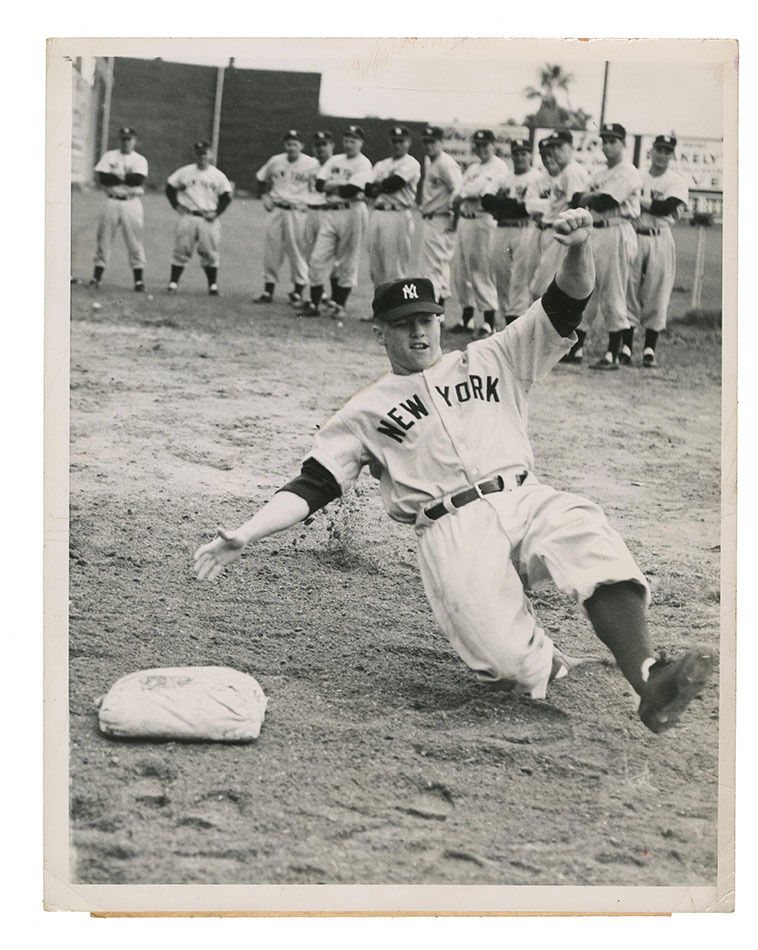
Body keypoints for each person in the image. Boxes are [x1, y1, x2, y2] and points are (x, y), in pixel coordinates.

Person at [193, 207, 714, 735]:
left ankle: (649, 678)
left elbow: (566, 301)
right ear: (380, 333)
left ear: (440, 319)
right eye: (403, 324)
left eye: (426, 319)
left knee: (585, 530)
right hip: (450, 530)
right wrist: (247, 532)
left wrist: (578, 248)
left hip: (521, 498)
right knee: (512, 666)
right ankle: (544, 660)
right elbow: (314, 484)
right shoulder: (365, 410)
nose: (418, 332)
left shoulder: (495, 356)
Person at [573, 122, 642, 371]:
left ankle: (613, 352)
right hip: (596, 232)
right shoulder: (599, 174)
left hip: (617, 230)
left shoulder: (628, 172)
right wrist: (590, 197)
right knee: (586, 288)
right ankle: (577, 348)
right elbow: (577, 198)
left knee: (614, 292)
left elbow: (605, 202)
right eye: (605, 141)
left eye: (613, 141)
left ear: (624, 144)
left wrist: (590, 197)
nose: (608, 146)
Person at [624, 134, 689, 367]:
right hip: (635, 235)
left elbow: (666, 208)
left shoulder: (676, 181)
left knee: (657, 289)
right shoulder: (637, 176)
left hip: (660, 238)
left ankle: (650, 348)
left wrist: (639, 201)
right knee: (628, 288)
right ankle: (626, 346)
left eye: (667, 151)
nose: (662, 155)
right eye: (658, 150)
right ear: (650, 152)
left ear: (672, 155)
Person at [299, 125, 374, 320]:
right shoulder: (335, 160)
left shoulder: (363, 163)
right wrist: (339, 186)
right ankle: (314, 304)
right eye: (347, 140)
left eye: (353, 141)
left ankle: (340, 305)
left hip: (353, 212)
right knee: (317, 257)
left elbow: (353, 189)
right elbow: (319, 184)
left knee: (347, 260)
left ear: (361, 143)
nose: (349, 144)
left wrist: (333, 186)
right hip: (332, 212)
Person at [529, 129, 589, 363]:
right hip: (553, 232)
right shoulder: (564, 172)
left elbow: (576, 204)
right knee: (546, 288)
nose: (556, 151)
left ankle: (567, 345)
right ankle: (561, 344)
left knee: (547, 288)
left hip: (564, 235)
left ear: (570, 147)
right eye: (552, 147)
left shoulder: (573, 171)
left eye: (560, 147)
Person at [449, 129, 508, 337]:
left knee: (481, 269)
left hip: (483, 220)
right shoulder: (474, 167)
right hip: (465, 220)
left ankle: (489, 322)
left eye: (486, 145)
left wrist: (463, 193)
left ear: (494, 145)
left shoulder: (499, 166)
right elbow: (458, 188)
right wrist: (462, 193)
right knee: (460, 270)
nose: (482, 149)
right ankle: (466, 318)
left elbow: (480, 190)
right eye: (478, 145)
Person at [253, 130, 320, 307]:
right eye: (289, 143)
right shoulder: (276, 161)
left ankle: (298, 291)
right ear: (285, 145)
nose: (291, 147)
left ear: (302, 146)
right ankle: (268, 289)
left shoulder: (311, 163)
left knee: (297, 249)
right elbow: (261, 178)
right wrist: (264, 196)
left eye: (295, 144)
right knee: (272, 249)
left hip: (298, 210)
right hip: (277, 208)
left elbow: (318, 185)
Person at [481, 139, 544, 324]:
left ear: (530, 155)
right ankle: (506, 323)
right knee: (501, 278)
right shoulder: (504, 178)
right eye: (516, 153)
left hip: (525, 230)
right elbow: (486, 199)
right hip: (501, 229)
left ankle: (516, 323)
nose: (519, 157)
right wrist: (512, 205)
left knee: (520, 280)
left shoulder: (537, 178)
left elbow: (526, 209)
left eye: (523, 153)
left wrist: (503, 205)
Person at [164, 140, 233, 296]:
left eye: (205, 153)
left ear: (211, 154)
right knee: (182, 249)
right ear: (196, 154)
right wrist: (176, 205)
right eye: (200, 153)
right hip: (188, 215)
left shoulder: (218, 175)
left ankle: (212, 286)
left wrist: (217, 213)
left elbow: (226, 196)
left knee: (209, 252)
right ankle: (173, 283)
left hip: (208, 217)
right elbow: (169, 187)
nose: (202, 156)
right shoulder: (185, 172)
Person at [90, 126, 149, 292]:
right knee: (104, 239)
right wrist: (123, 177)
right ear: (120, 140)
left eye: (129, 139)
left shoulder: (139, 160)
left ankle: (138, 281)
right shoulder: (110, 156)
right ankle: (97, 277)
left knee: (134, 241)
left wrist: (116, 176)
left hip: (132, 202)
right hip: (112, 201)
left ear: (134, 141)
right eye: (124, 139)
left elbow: (137, 180)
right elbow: (103, 177)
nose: (126, 142)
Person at [365, 126, 422, 289]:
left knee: (395, 267)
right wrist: (382, 185)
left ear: (408, 142)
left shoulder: (411, 163)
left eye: (401, 141)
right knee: (376, 267)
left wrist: (381, 185)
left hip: (398, 214)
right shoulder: (382, 164)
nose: (397, 145)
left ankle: (397, 313)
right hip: (377, 213)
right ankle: (381, 312)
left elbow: (394, 184)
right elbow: (368, 189)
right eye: (394, 141)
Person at [417, 125, 463, 311]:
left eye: (432, 142)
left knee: (431, 267)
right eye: (426, 142)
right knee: (439, 266)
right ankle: (439, 311)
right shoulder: (431, 162)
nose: (428, 146)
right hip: (433, 218)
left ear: (441, 142)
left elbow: (458, 192)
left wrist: (455, 220)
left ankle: (432, 310)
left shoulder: (446, 163)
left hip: (441, 218)